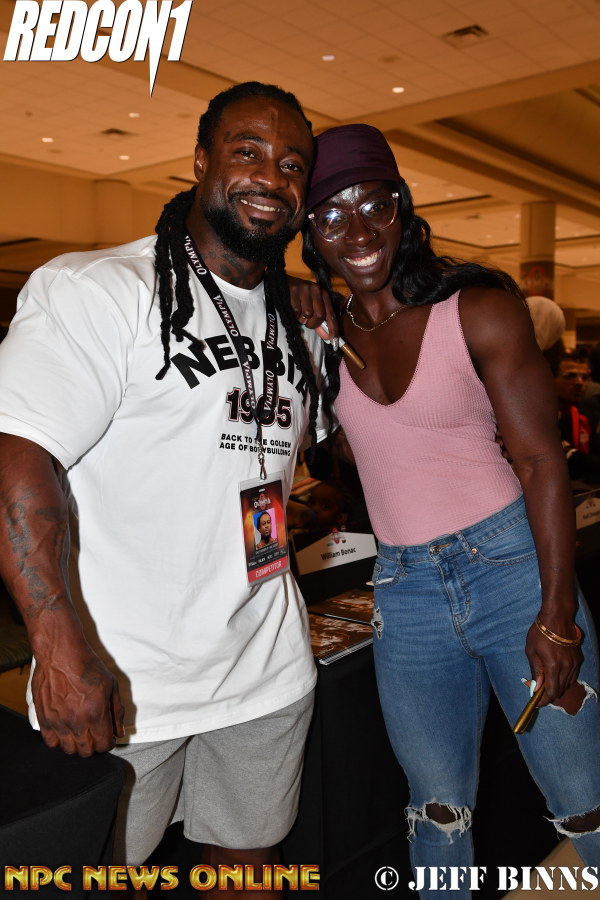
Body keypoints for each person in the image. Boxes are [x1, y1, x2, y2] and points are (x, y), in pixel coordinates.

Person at [0, 82, 335, 892]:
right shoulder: (101, 290)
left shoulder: (303, 326)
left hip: (266, 667)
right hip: (125, 680)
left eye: (292, 164)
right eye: (247, 151)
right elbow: (18, 457)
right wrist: (57, 647)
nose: (271, 176)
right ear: (198, 162)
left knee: (248, 869)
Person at [297, 123, 600, 895]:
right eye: (332, 215)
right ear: (311, 235)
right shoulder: (319, 339)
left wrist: (557, 613)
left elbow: (542, 462)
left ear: (403, 207)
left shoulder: (479, 311)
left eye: (375, 204)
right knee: (435, 812)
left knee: (583, 805)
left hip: (513, 572)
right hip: (406, 592)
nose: (359, 230)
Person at [553, 353, 600, 483]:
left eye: (584, 377)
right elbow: (568, 458)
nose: (579, 382)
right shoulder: (537, 415)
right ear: (550, 379)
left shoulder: (584, 414)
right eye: (570, 376)